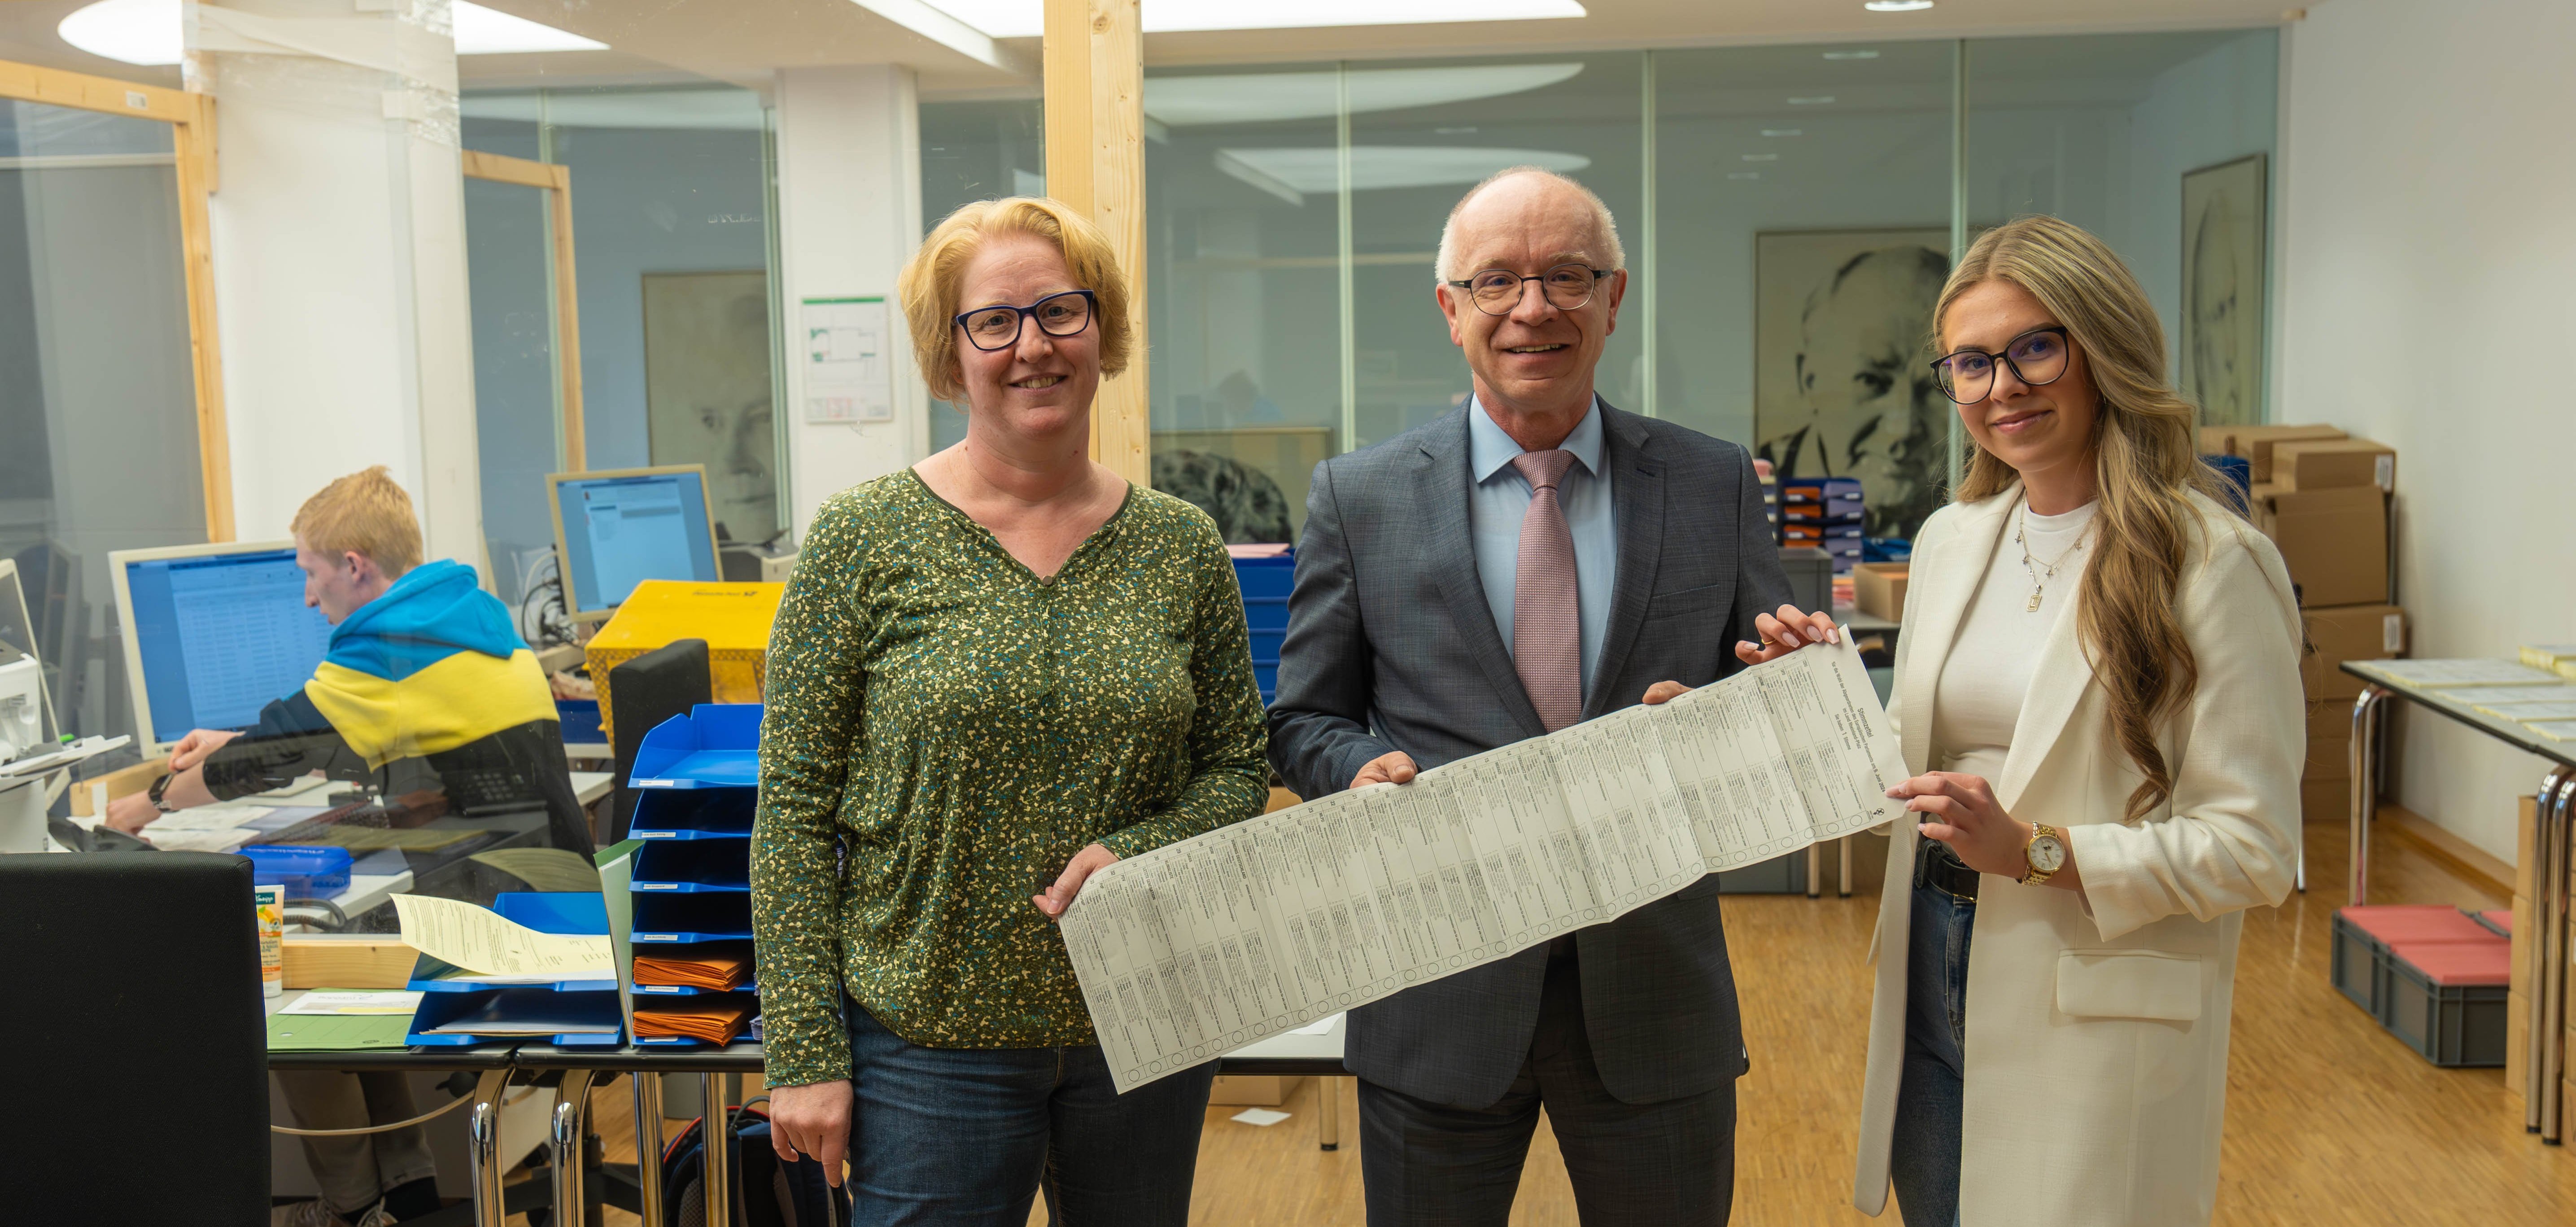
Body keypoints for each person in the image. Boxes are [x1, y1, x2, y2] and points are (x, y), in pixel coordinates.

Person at [1266, 166, 1838, 1226]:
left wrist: (1776, 699)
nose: (1534, 308)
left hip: (1653, 993)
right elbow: (1302, 720)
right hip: (1439, 989)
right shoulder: (1361, 496)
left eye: (1566, 276)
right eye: (1497, 281)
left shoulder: (1712, 482)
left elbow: (1772, 704)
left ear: (1614, 297)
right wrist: (1360, 767)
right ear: (1452, 310)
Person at [753, 197, 1270, 1226]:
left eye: (1060, 311)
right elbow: (794, 811)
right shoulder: (862, 537)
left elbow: (1237, 767)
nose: (1032, 345)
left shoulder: (1182, 545)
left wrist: (1146, 844)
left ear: (1102, 329)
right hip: (927, 1041)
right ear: (952, 355)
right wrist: (805, 1051)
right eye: (994, 321)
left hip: (1145, 1019)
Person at [1850, 215, 2302, 1227]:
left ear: (2105, 350)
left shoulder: (2212, 563)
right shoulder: (1950, 540)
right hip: (1932, 950)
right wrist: (1803, 701)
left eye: (2035, 347)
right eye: (1970, 362)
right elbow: (1905, 765)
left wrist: (2040, 850)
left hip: (2090, 987)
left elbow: (2257, 848)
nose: (2001, 385)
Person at [104, 465, 589, 1227]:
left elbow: (281, 752)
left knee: (286, 990)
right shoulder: (461, 614)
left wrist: (148, 804)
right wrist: (237, 739)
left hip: (501, 937)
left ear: (354, 565)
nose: (306, 595)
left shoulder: (392, 646)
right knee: (346, 942)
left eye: (311, 572)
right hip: (551, 906)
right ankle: (406, 1190)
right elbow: (321, 737)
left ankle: (348, 1206)